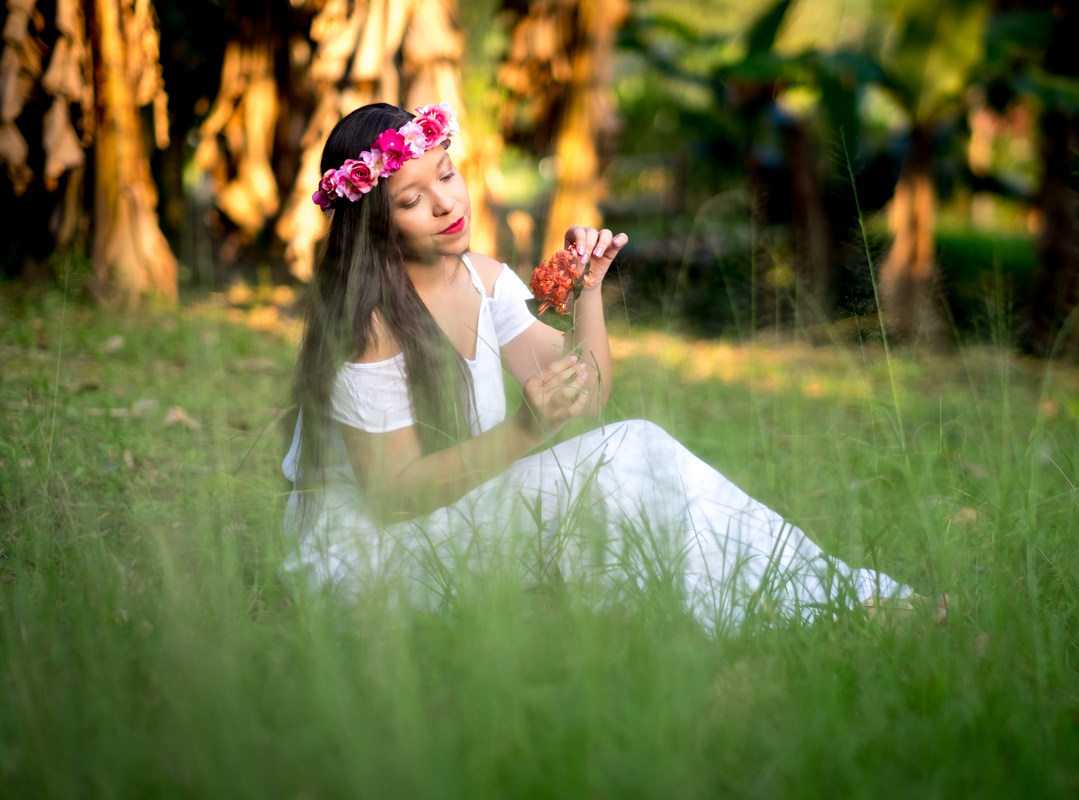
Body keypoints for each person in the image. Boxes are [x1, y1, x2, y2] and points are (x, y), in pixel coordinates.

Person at [281, 102, 911, 630]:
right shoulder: (368, 326)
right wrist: (526, 429)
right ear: (373, 226)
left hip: (445, 517)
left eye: (448, 175)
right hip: (368, 562)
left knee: (637, 453)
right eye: (412, 199)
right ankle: (817, 605)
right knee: (622, 461)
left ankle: (824, 597)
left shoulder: (484, 280)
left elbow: (591, 392)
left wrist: (588, 292)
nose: (447, 203)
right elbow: (395, 498)